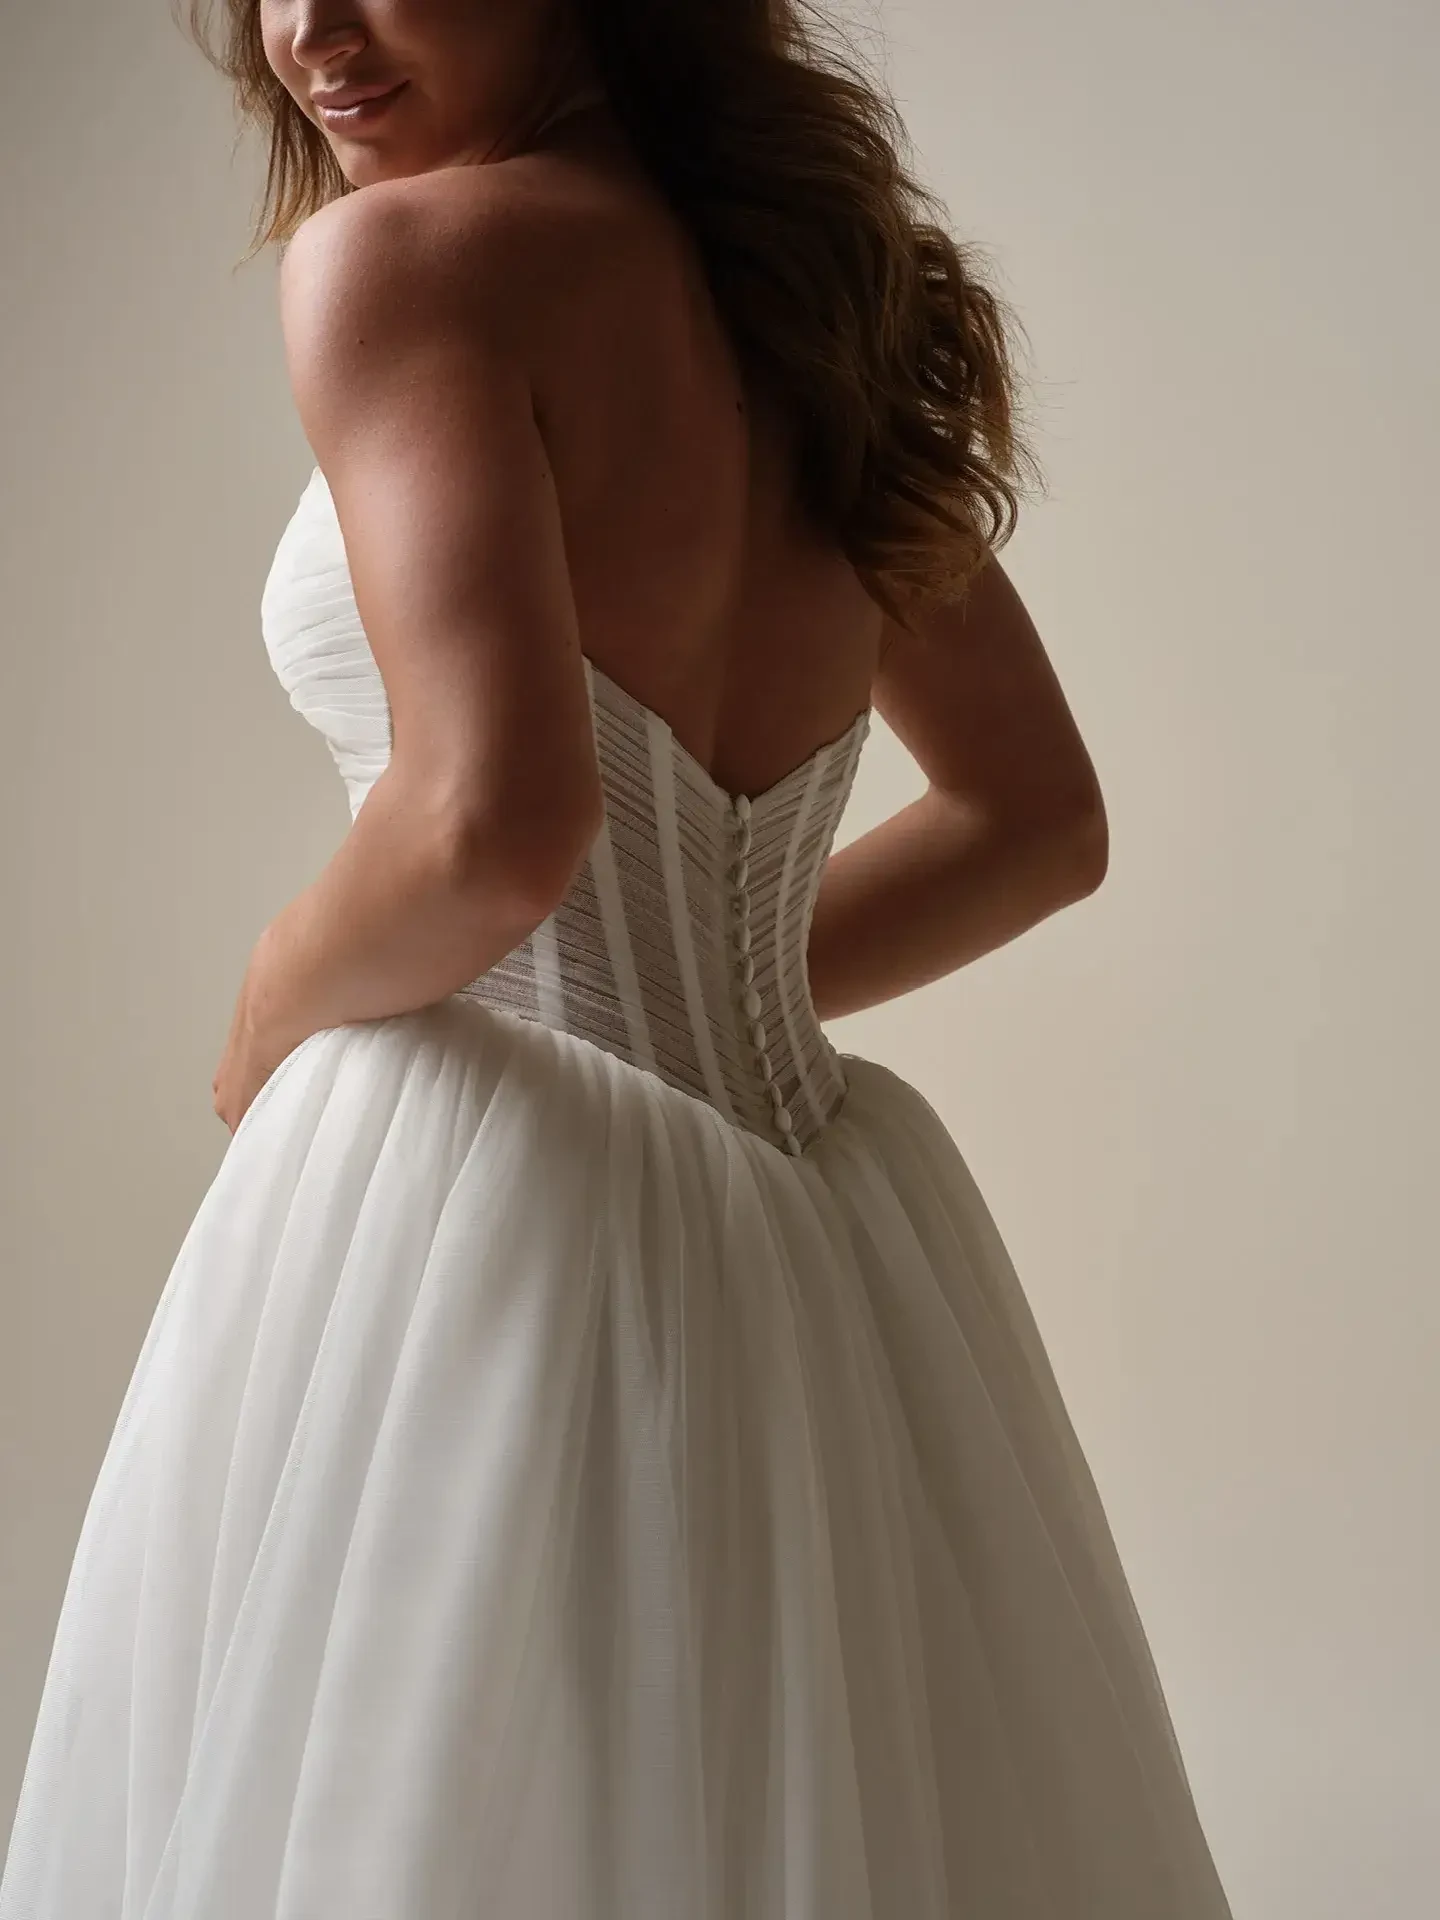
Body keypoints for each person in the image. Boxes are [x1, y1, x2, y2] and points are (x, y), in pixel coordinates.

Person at [0, 2, 1234, 1915]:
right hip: (817, 1226)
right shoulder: (803, 295)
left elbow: (489, 820)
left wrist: (267, 1015)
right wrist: (709, 1006)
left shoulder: (402, 261)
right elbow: (1035, 820)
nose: (309, 26)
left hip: (475, 1202)